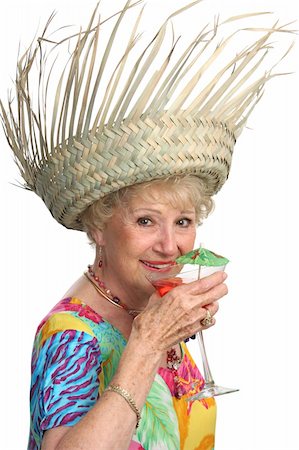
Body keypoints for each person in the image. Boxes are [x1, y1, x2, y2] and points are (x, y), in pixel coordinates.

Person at [0, 1, 293, 449]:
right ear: (98, 226)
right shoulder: (72, 337)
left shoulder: (148, 304)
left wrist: (168, 330)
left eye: (183, 221)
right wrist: (148, 344)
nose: (171, 245)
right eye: (145, 221)